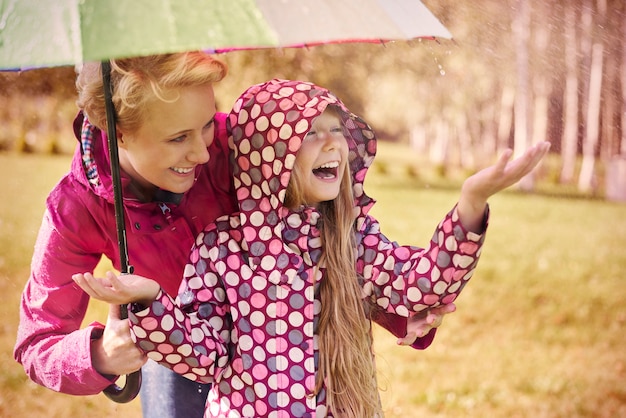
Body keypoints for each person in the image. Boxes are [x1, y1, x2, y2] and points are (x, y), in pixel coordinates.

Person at [72, 79, 550, 417]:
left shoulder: (347, 239)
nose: (331, 145)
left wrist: (471, 204)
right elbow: (204, 355)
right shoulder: (221, 249)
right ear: (269, 156)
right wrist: (151, 300)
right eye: (310, 134)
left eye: (336, 130)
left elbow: (420, 285)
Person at [14, 62, 450, 417]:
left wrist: (394, 310)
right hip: (180, 339)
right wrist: (102, 355)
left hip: (283, 340)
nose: (204, 152)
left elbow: (321, 230)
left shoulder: (241, 146)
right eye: (178, 138)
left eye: (206, 125)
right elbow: (38, 345)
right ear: (119, 134)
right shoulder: (76, 209)